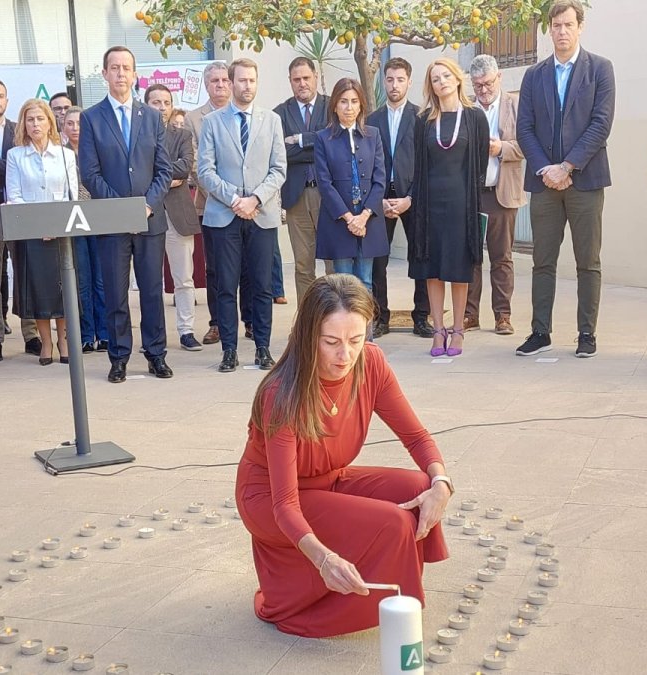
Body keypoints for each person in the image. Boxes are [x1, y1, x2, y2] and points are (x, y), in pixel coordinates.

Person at [235, 273, 452, 637]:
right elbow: (285, 503)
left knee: (418, 485)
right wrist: (324, 559)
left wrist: (442, 483)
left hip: (327, 479)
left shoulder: (371, 363)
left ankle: (394, 595)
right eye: (332, 341)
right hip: (269, 497)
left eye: (355, 339)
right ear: (308, 337)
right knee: (393, 522)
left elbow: (416, 436)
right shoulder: (281, 393)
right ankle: (344, 605)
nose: (345, 355)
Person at [515, 0, 616, 358]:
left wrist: (568, 166)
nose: (561, 31)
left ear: (580, 27)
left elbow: (600, 124)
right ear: (549, 29)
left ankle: (586, 333)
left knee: (588, 261)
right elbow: (524, 128)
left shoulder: (600, 69)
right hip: (545, 183)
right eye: (556, 25)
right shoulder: (534, 75)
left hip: (585, 181)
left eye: (567, 25)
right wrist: (547, 168)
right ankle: (540, 331)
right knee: (543, 260)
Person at [79, 46, 172, 383]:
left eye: (126, 68)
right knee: (116, 294)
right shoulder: (91, 118)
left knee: (151, 291)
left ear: (135, 75)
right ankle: (118, 357)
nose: (120, 73)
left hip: (150, 218)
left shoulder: (151, 116)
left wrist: (146, 204)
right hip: (112, 222)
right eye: (114, 68)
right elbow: (90, 172)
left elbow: (164, 168)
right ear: (104, 73)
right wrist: (121, 209)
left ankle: (156, 354)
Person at [197, 57, 287, 373]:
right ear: (231, 82)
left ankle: (263, 348)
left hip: (261, 215)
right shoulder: (212, 122)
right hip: (224, 215)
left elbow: (279, 169)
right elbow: (204, 171)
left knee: (263, 285)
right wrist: (236, 199)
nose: (247, 86)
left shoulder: (272, 120)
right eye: (241, 80)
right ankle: (229, 351)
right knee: (225, 285)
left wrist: (256, 199)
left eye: (252, 80)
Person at [410, 59, 490, 358]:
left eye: (446, 76)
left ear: (457, 80)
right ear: (430, 86)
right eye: (434, 78)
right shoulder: (424, 120)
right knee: (433, 269)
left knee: (458, 269)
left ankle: (458, 329)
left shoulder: (474, 118)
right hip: (430, 204)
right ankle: (438, 330)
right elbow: (419, 164)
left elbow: (479, 164)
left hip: (461, 204)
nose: (441, 82)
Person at [4, 98, 82, 366]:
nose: (35, 124)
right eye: (30, 119)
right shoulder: (15, 156)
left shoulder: (65, 154)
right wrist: (40, 226)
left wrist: (54, 225)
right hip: (31, 233)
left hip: (60, 233)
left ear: (50, 121)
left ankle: (64, 339)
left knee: (62, 288)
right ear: (23, 124)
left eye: (40, 119)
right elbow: (14, 196)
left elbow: (72, 195)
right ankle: (45, 341)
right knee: (39, 289)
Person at [369, 57, 431, 339]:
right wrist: (377, 199)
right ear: (384, 81)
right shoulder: (371, 120)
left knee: (420, 256)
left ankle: (421, 317)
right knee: (377, 260)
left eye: (400, 80)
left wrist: (410, 198)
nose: (395, 85)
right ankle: (380, 317)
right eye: (390, 79)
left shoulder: (422, 118)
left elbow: (426, 165)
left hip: (412, 197)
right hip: (380, 198)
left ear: (409, 81)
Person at [0, 77, 37, 361]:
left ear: (7, 100)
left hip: (21, 211)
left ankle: (32, 333)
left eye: (0, 95)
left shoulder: (18, 129)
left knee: (26, 273)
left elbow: (22, 165)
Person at [466, 54, 526, 337]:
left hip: (502, 195)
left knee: (502, 258)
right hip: (471, 195)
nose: (484, 90)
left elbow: (527, 145)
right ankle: (470, 314)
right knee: (471, 257)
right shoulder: (465, 108)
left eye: (488, 84)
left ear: (499, 78)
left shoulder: (516, 105)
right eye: (478, 85)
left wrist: (500, 147)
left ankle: (503, 315)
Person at [314, 78, 387, 293]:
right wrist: (349, 218)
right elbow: (325, 184)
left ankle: (365, 329)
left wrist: (363, 217)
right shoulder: (323, 138)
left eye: (354, 101)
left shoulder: (373, 135)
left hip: (368, 220)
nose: (349, 107)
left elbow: (379, 178)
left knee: (365, 282)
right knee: (343, 285)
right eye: (343, 101)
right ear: (335, 105)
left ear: (361, 105)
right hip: (339, 221)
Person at [145, 84, 203, 352]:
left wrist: (155, 175)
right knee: (150, 280)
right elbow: (139, 171)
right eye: (155, 102)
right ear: (146, 105)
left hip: (178, 215)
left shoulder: (182, 134)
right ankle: (154, 337)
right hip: (148, 215)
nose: (161, 107)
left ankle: (186, 330)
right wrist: (167, 178)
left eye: (166, 102)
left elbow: (186, 165)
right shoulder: (138, 134)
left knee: (184, 278)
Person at [277, 57, 332, 302]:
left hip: (329, 196)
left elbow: (332, 145)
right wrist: (317, 142)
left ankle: (333, 316)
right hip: (296, 197)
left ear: (316, 78)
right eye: (296, 79)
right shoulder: (280, 113)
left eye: (306, 78)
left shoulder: (332, 106)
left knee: (334, 262)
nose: (302, 84)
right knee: (303, 265)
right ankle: (306, 320)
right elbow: (280, 153)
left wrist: (299, 140)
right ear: (289, 81)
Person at [187, 62, 233, 345]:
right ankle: (217, 323)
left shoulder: (248, 115)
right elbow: (195, 164)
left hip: (247, 205)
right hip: (211, 205)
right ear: (206, 85)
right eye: (214, 81)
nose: (220, 85)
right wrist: (225, 195)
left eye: (225, 80)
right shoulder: (195, 119)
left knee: (249, 269)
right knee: (215, 268)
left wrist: (243, 197)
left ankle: (250, 321)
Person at [61, 106, 108, 353]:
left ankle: (105, 333)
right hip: (73, 220)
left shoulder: (97, 149)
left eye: (79, 123)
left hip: (98, 218)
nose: (75, 128)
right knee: (83, 281)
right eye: (70, 124)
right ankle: (86, 334)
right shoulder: (60, 154)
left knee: (101, 280)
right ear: (63, 126)